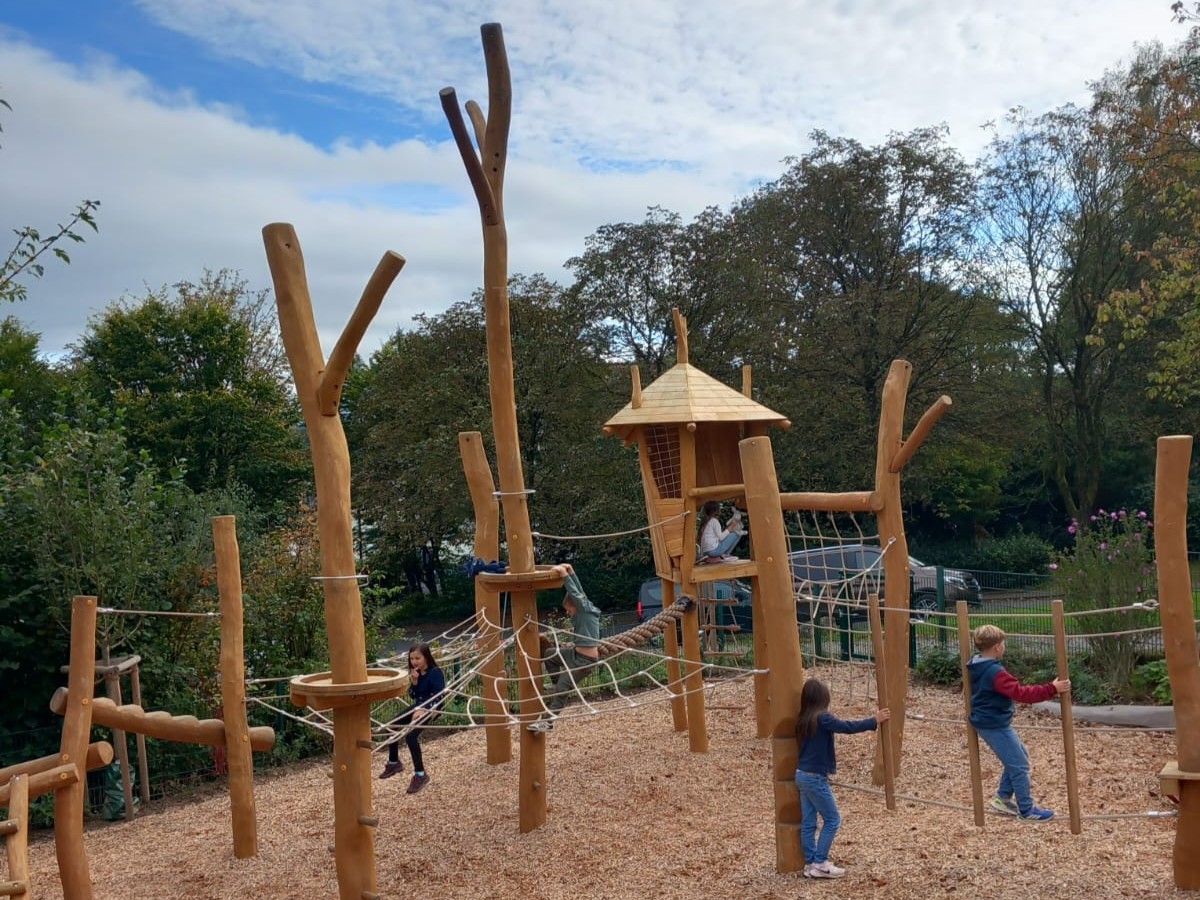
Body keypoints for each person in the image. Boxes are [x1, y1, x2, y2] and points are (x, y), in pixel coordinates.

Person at [966, 624, 1070, 821]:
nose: (1004, 646)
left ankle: (1003, 797)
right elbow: (1021, 693)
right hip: (994, 724)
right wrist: (1052, 688)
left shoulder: (977, 664)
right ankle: (1026, 810)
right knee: (1020, 766)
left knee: (1019, 756)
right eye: (1003, 643)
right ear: (997, 647)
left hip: (992, 720)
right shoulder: (995, 672)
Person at [793, 678, 890, 879]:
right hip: (814, 778)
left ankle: (810, 863)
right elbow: (846, 726)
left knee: (809, 821)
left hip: (801, 774)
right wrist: (874, 720)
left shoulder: (803, 720)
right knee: (833, 819)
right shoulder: (822, 718)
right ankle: (820, 863)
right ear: (822, 699)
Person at [531, 563, 601, 731]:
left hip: (585, 662)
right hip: (574, 654)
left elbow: (576, 594)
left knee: (563, 687)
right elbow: (579, 592)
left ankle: (547, 722)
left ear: (576, 606)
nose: (569, 614)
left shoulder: (584, 610)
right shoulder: (585, 606)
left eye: (569, 611)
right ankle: (556, 684)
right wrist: (571, 571)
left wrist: (563, 574)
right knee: (549, 654)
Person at [378, 643, 446, 794]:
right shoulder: (417, 673)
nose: (414, 661)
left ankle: (420, 774)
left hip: (432, 709)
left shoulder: (435, 672)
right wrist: (414, 682)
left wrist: (425, 709)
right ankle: (394, 763)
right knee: (391, 726)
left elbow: (440, 696)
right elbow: (414, 695)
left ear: (426, 657)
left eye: (417, 658)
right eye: (412, 658)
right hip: (419, 707)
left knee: (411, 737)